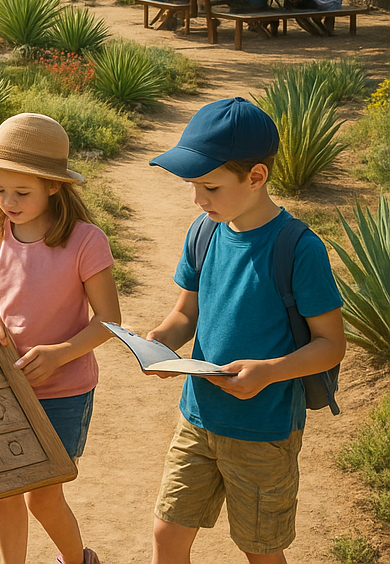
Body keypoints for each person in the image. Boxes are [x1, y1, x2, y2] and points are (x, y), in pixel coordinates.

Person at [145, 98, 345, 564]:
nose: (198, 199)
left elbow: (331, 345)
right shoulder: (203, 233)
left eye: (210, 186)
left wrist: (269, 371)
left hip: (264, 432)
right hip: (197, 418)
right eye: (193, 186)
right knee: (166, 535)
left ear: (256, 176)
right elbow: (185, 315)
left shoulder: (299, 248)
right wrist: (161, 342)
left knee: (260, 550)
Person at [0, 113, 121, 564]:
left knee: (43, 497)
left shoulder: (86, 240)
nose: (8, 202)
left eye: (21, 192)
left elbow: (109, 320)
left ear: (54, 185)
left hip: (65, 390)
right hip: (7, 383)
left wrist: (60, 354)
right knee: (7, 490)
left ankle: (79, 560)